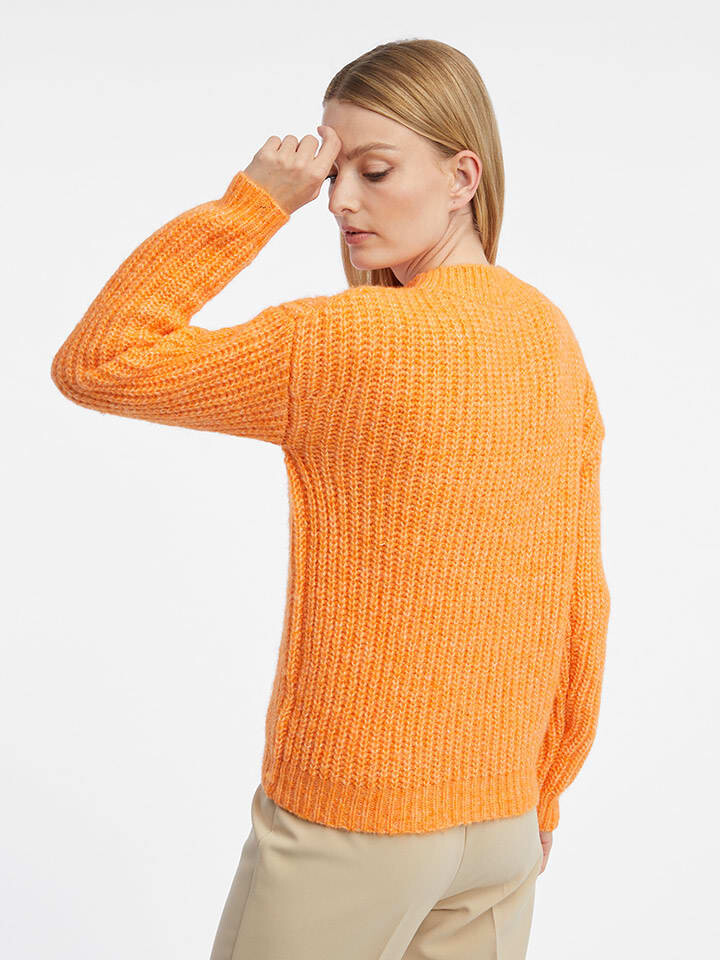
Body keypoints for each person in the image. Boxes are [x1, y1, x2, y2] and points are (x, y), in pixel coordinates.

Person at [50, 38, 610, 960]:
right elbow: (581, 599)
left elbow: (100, 361)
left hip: (355, 823)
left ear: (463, 176)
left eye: (372, 170)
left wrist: (257, 201)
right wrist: (543, 794)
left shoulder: (347, 345)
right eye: (329, 170)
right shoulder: (549, 338)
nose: (339, 199)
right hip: (503, 828)